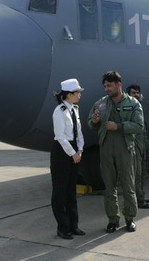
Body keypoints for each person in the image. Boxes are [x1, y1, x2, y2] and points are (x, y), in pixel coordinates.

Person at [87, 71, 144, 233]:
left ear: (119, 84)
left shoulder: (133, 104)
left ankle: (130, 218)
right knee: (109, 185)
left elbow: (139, 126)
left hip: (124, 148)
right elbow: (90, 122)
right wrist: (94, 121)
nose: (107, 89)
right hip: (105, 148)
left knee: (128, 184)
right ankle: (112, 219)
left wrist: (118, 126)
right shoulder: (101, 104)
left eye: (109, 86)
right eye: (105, 86)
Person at [51, 78, 86, 239]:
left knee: (71, 190)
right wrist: (73, 153)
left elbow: (79, 132)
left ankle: (73, 225)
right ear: (69, 94)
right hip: (62, 152)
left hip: (73, 150)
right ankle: (62, 227)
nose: (79, 94)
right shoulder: (59, 111)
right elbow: (60, 137)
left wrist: (80, 149)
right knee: (60, 191)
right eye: (77, 92)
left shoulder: (74, 109)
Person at [126, 84, 149, 209]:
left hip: (141, 145)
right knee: (136, 174)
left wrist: (148, 147)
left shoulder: (138, 107)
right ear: (128, 94)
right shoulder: (128, 109)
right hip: (133, 145)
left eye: (137, 93)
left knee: (142, 174)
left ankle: (140, 195)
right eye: (133, 93)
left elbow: (143, 131)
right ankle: (139, 200)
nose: (136, 95)